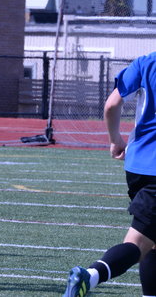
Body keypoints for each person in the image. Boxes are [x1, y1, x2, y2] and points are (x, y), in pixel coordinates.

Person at [63, 52, 156, 297]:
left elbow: (112, 104)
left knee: (151, 239)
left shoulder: (146, 62)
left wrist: (115, 139)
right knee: (139, 242)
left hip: (137, 166)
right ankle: (90, 275)